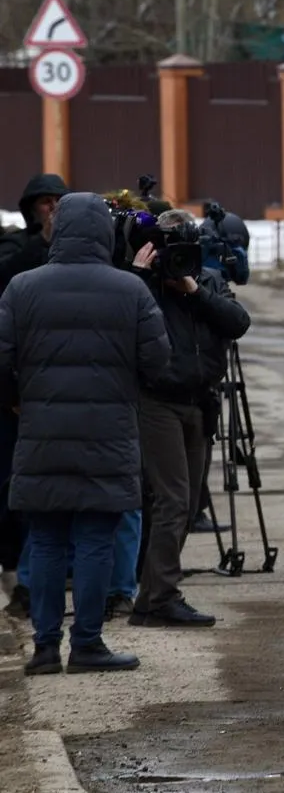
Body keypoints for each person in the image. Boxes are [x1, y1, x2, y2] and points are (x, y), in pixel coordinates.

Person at [1, 192, 170, 674]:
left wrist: (16, 399)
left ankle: (45, 648)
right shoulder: (130, 290)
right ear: (105, 233)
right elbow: (158, 362)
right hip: (109, 434)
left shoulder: (21, 288)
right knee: (97, 538)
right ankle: (89, 643)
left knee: (49, 539)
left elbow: (1, 358)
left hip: (40, 433)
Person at [130, 210, 252, 628]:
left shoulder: (207, 280)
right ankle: (161, 597)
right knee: (173, 500)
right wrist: (143, 278)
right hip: (157, 402)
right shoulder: (139, 288)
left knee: (184, 504)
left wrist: (194, 289)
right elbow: (124, 329)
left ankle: (150, 600)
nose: (173, 257)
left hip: (200, 402)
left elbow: (238, 323)